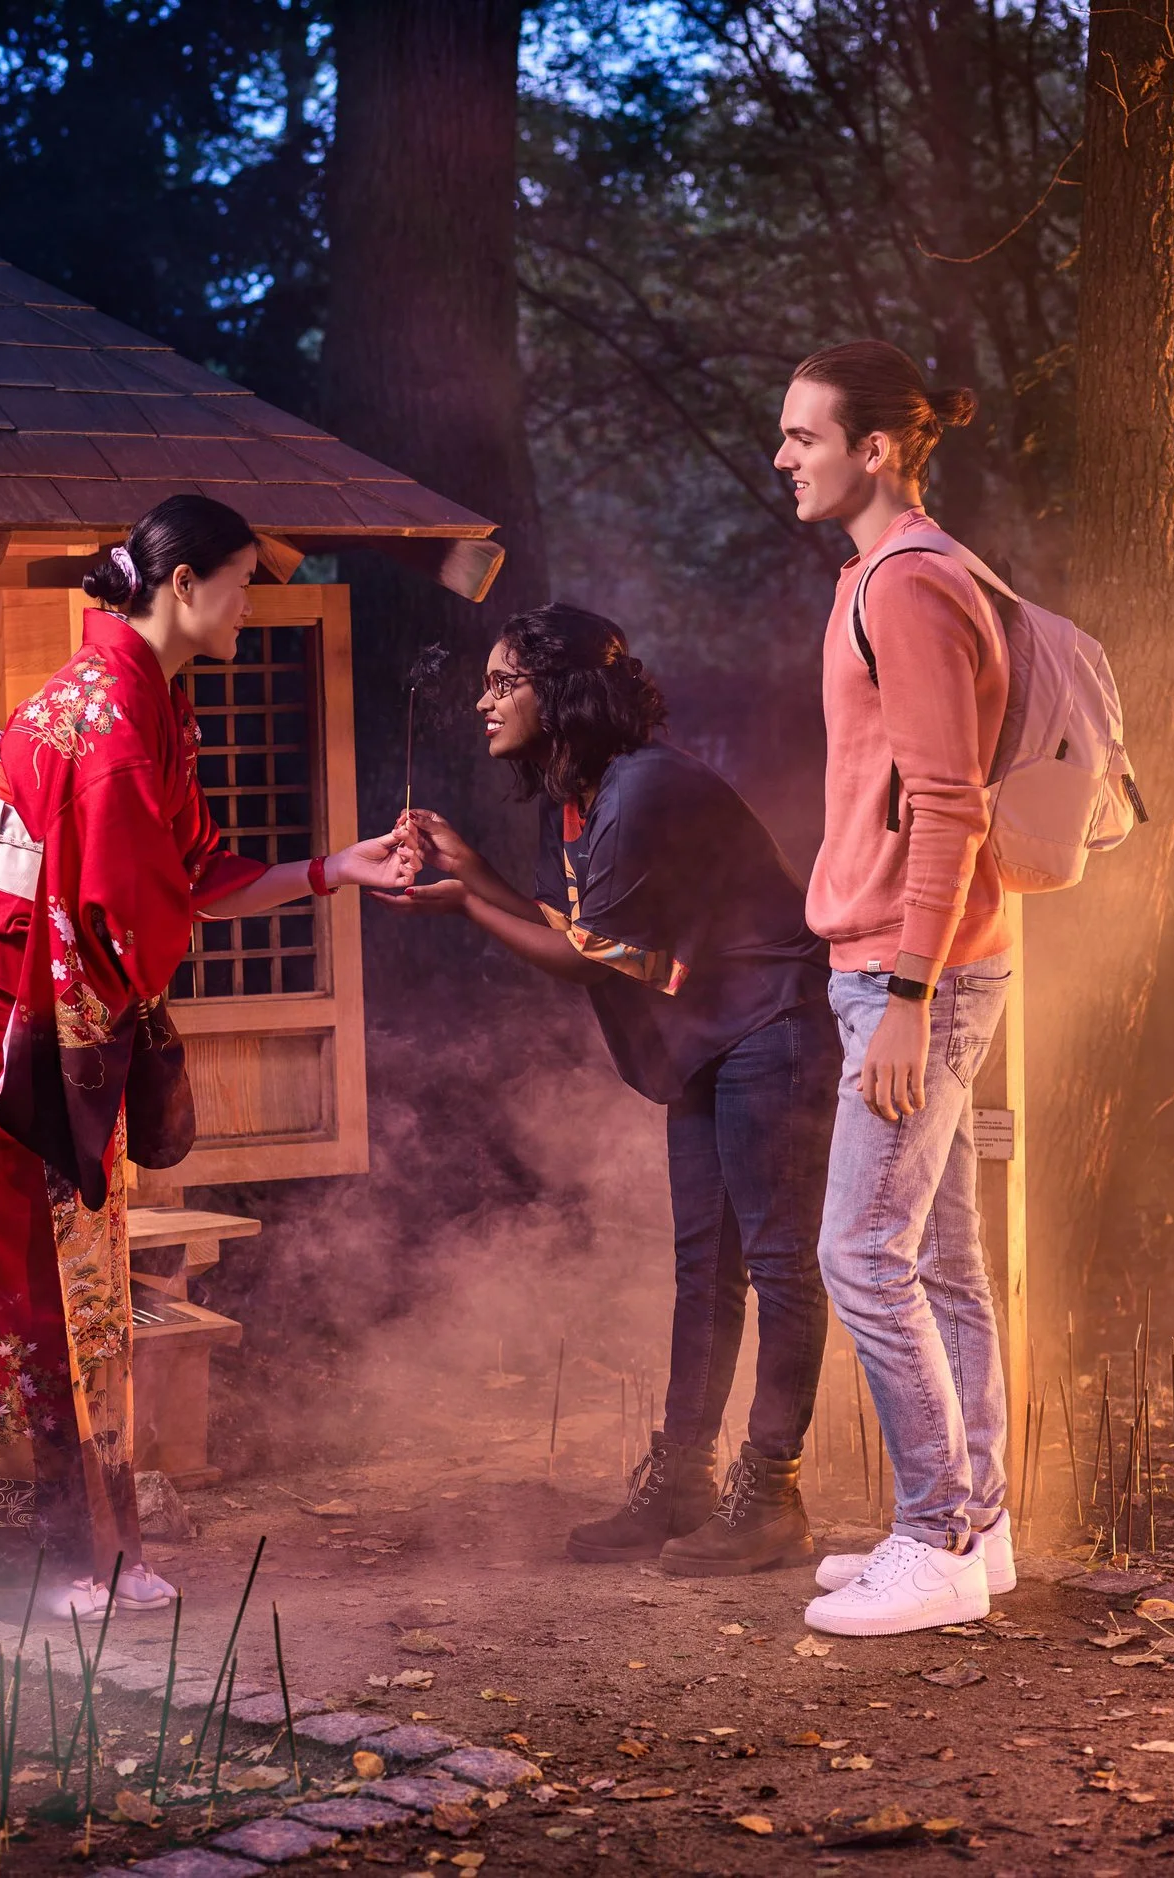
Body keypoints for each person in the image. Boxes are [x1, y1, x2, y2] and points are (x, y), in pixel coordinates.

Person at [0, 494, 418, 1620]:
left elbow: (190, 876)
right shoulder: (113, 717)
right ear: (183, 585)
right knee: (15, 1256)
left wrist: (336, 870)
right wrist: (134, 978)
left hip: (41, 965)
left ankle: (83, 1543)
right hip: (0, 984)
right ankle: (31, 1556)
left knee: (72, 1259)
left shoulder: (150, 700)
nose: (249, 606)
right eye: (241, 584)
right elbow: (131, 911)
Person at [387, 604, 837, 1575]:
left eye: (503, 682)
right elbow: (596, 936)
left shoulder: (641, 790)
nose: (482, 701)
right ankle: (681, 1483)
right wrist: (474, 870)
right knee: (702, 1271)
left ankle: (771, 1495)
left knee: (777, 1267)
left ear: (562, 691)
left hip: (772, 1028)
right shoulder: (587, 794)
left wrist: (465, 901)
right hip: (708, 1037)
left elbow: (586, 962)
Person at [775, 341, 1018, 1637]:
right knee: (943, 1258)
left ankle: (937, 1536)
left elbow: (949, 802)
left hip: (912, 969)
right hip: (918, 961)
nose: (782, 456)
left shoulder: (909, 584)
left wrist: (911, 994)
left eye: (803, 435)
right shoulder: (891, 573)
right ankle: (980, 1522)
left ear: (873, 448)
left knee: (861, 1255)